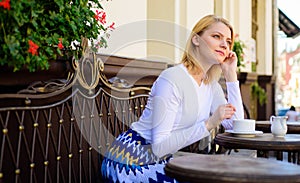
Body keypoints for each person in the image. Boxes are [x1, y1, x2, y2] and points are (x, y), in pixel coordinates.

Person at [101, 14, 244, 183]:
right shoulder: (173, 78)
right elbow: (159, 147)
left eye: (228, 41)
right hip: (130, 159)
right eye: (216, 36)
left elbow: (237, 125)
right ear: (196, 40)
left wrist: (230, 75)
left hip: (159, 160)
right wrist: (209, 124)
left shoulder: (211, 86)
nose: (224, 45)